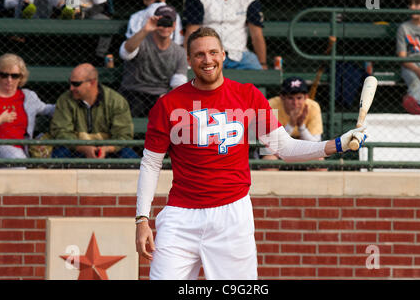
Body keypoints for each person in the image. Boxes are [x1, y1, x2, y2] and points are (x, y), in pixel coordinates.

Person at [134, 27, 367, 280]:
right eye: (199, 55)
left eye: (213, 52)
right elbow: (150, 164)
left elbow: (285, 148)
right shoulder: (167, 104)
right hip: (180, 215)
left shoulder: (248, 95)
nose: (208, 59)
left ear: (223, 55)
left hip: (232, 215)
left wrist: (336, 145)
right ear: (189, 61)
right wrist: (141, 219)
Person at [50, 63, 138, 159]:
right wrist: (83, 148)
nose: (71, 88)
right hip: (76, 149)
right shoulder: (65, 100)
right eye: (70, 83)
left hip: (109, 150)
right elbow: (61, 132)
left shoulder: (116, 101)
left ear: (92, 83)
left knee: (130, 157)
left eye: (76, 84)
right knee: (59, 155)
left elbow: (124, 135)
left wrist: (106, 149)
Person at [119, 4, 188, 117]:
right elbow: (125, 53)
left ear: (174, 25)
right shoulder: (141, 41)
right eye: (161, 22)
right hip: (133, 91)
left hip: (160, 95)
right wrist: (146, 29)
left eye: (169, 23)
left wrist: (168, 97)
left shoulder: (179, 52)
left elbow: (178, 84)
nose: (165, 27)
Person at [183, 0, 267, 70]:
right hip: (208, 54)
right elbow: (191, 32)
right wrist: (189, 62)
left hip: (240, 54)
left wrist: (263, 63)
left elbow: (257, 34)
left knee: (258, 72)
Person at [0, 53, 55, 159]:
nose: (9, 80)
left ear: (21, 77)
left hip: (20, 150)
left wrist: (68, 104)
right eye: (4, 75)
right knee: (15, 158)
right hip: (4, 148)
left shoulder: (28, 96)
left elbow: (47, 109)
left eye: (14, 76)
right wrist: (1, 119)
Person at [44, 0, 113, 64]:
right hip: (63, 11)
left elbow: (100, 4)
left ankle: (100, 55)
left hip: (88, 12)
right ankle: (69, 11)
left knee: (106, 22)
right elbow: (54, 2)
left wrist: (84, 13)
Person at [262, 76, 324, 169]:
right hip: (276, 152)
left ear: (306, 97)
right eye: (290, 98)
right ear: (282, 97)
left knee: (319, 162)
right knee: (269, 160)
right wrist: (291, 124)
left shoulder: (313, 107)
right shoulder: (270, 105)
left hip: (301, 149)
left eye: (299, 98)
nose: (295, 103)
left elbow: (315, 144)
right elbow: (269, 147)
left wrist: (301, 127)